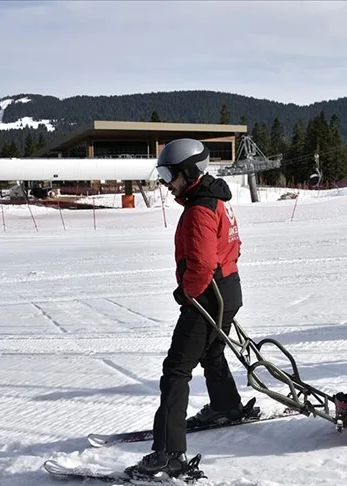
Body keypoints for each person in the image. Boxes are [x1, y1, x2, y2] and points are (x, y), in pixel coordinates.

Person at [132, 138, 250, 478]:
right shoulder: (216, 200)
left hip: (209, 296)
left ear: (189, 172)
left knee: (176, 370)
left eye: (170, 174)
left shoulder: (199, 210)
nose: (166, 183)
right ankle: (227, 405)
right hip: (228, 291)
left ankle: (169, 453)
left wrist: (187, 294)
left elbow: (200, 266)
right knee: (212, 353)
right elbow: (233, 244)